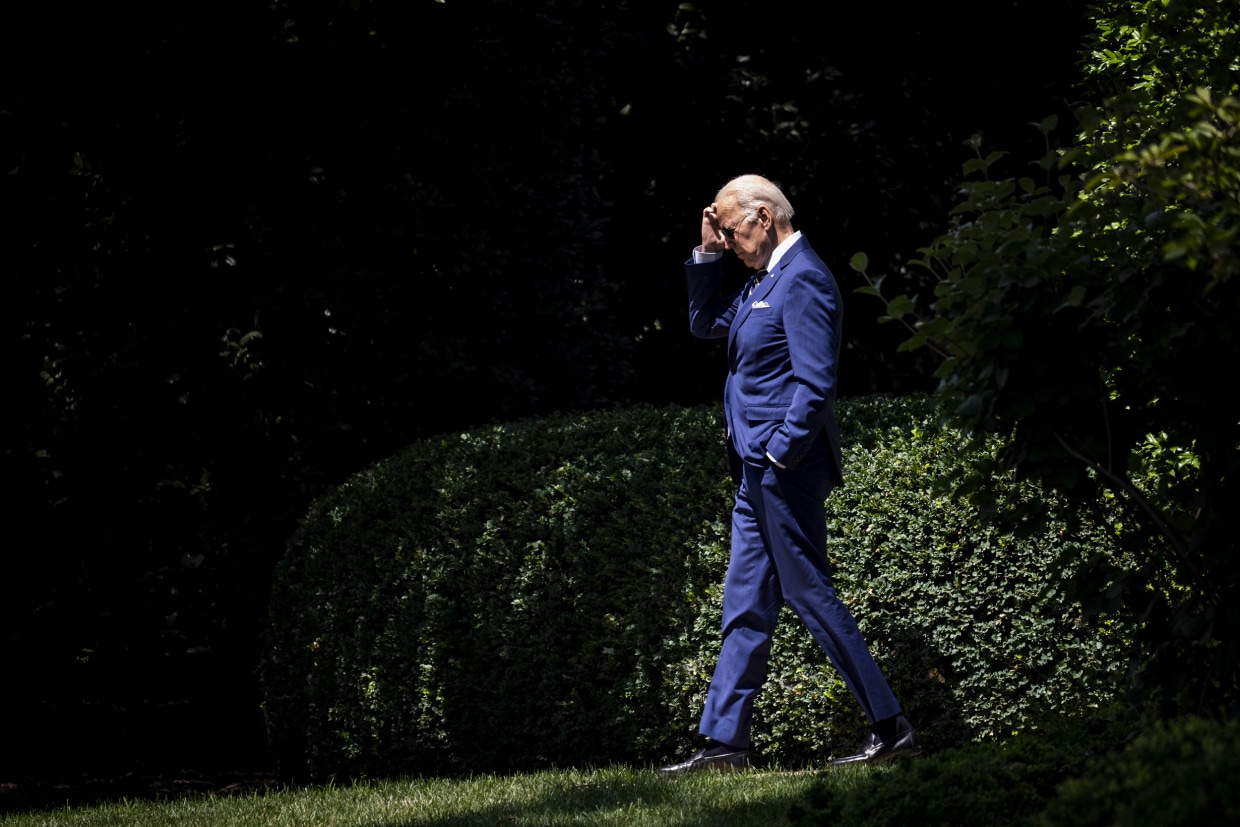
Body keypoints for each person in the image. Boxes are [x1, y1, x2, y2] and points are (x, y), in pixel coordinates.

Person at [659, 174, 919, 774]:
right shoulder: (763, 279)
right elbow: (704, 325)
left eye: (729, 228)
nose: (727, 238)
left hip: (783, 470)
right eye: (721, 230)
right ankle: (725, 745)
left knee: (808, 593)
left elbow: (815, 382)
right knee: (745, 601)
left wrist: (778, 455)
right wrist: (704, 251)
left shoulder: (804, 278)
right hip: (756, 474)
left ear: (763, 217)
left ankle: (891, 727)